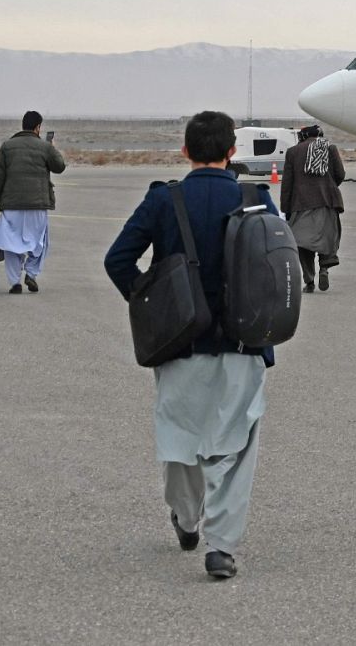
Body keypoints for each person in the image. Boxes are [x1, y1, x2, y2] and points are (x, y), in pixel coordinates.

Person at [102, 110, 278, 581]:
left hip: (180, 341)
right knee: (235, 449)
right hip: (243, 342)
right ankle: (221, 547)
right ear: (232, 151)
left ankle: (185, 518)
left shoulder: (164, 199)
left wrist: (152, 301)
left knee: (180, 438)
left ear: (185, 151)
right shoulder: (256, 199)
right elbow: (277, 262)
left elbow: (118, 259)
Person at [0, 110, 66, 294]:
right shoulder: (44, 147)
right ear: (38, 127)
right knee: (39, 241)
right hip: (37, 205)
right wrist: (52, 147)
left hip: (12, 205)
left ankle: (15, 282)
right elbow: (59, 166)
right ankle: (31, 273)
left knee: (11, 243)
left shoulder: (7, 146)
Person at [280, 125, 345, 293]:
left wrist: (286, 208)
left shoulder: (293, 152)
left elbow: (287, 183)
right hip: (327, 202)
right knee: (327, 237)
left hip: (301, 204)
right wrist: (329, 186)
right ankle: (324, 268)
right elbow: (340, 174)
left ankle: (309, 280)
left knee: (302, 243)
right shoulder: (330, 148)